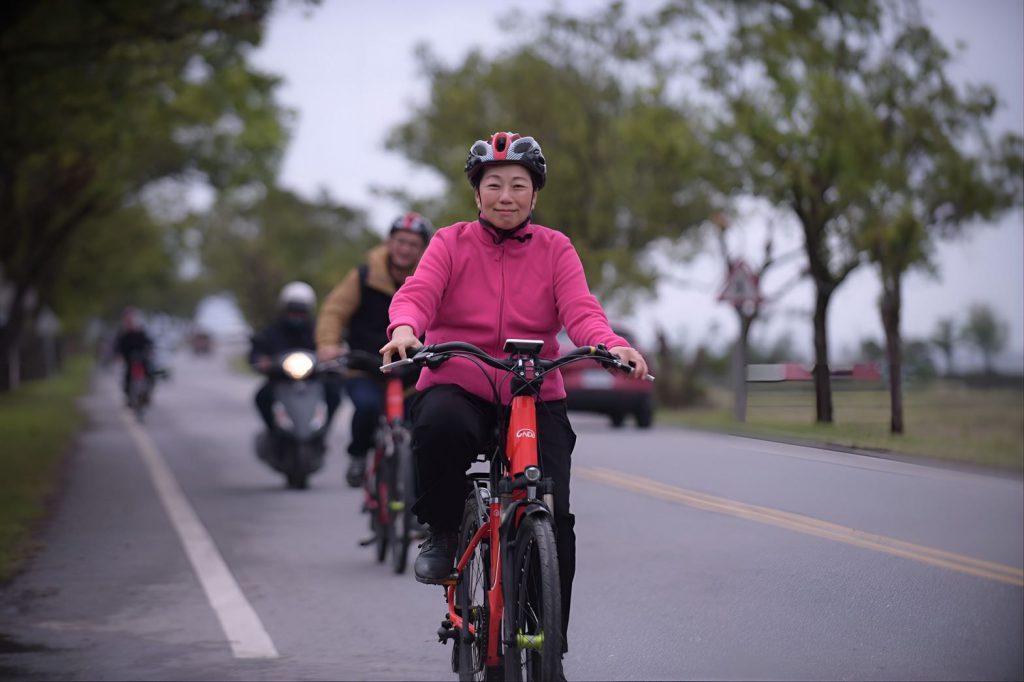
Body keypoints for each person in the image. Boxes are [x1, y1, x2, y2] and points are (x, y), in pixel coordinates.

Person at [379, 131, 648, 655]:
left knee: (556, 514)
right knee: (437, 425)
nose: (506, 196)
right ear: (477, 194)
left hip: (532, 388)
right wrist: (405, 329)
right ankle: (442, 532)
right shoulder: (450, 242)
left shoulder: (556, 248)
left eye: (518, 185)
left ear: (534, 195)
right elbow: (418, 294)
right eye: (495, 185)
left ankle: (550, 647)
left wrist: (612, 345)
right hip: (461, 379)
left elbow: (582, 312)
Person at [316, 212, 432, 488]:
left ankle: (418, 508)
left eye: (413, 244)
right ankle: (358, 456)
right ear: (388, 243)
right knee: (366, 408)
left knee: (423, 428)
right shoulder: (363, 276)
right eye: (400, 241)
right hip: (366, 367)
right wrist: (328, 344)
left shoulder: (429, 278)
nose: (405, 249)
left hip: (413, 372)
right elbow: (334, 311)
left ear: (423, 249)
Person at [250, 281, 340, 433]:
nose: (297, 316)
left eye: (301, 312)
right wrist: (261, 360)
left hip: (314, 380)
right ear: (285, 310)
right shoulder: (272, 331)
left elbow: (332, 347)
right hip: (280, 380)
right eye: (293, 312)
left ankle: (322, 430)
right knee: (261, 397)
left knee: (334, 395)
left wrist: (333, 355)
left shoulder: (318, 331)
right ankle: (273, 431)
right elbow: (257, 350)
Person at [115, 306, 155, 403]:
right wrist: (119, 355)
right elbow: (118, 347)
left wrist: (150, 351)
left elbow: (149, 343)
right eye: (127, 318)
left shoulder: (141, 331)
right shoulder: (123, 333)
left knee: (151, 372)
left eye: (131, 317)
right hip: (129, 359)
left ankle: (146, 394)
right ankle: (129, 397)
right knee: (127, 378)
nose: (129, 320)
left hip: (142, 358)